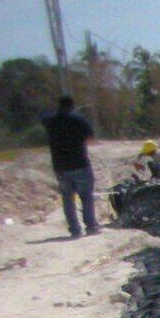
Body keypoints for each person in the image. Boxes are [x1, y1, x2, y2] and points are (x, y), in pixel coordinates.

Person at [39, 95, 97, 237]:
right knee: (86, 197)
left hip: (60, 166)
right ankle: (91, 227)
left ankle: (75, 229)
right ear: (72, 106)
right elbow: (90, 138)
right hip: (80, 164)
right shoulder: (78, 119)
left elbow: (43, 116)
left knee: (67, 199)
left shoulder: (50, 120)